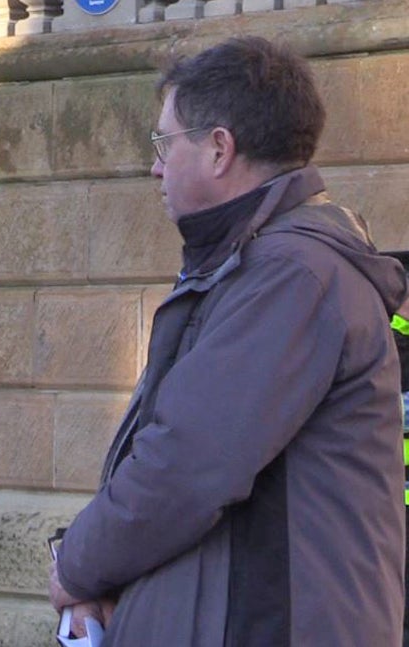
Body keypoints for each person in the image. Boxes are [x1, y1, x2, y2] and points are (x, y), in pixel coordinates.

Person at [49, 36, 407, 646]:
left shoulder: (291, 275)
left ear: (219, 149)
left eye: (165, 144)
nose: (155, 167)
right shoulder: (256, 266)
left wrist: (74, 567)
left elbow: (184, 466)